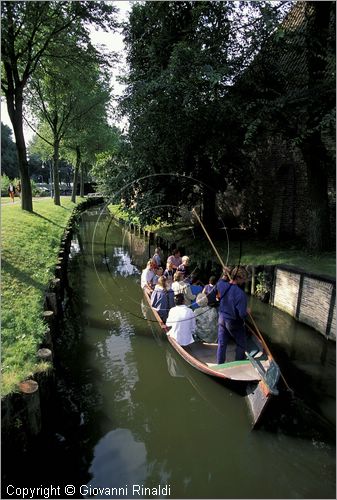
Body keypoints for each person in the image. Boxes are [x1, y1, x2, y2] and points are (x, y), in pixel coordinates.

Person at [215, 266, 249, 364]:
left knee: (222, 343)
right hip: (233, 322)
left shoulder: (221, 285)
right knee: (241, 343)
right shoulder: (241, 294)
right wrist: (247, 311)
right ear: (238, 278)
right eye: (243, 279)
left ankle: (220, 364)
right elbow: (242, 314)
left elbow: (221, 280)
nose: (244, 281)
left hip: (221, 319)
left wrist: (225, 273)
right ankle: (238, 364)